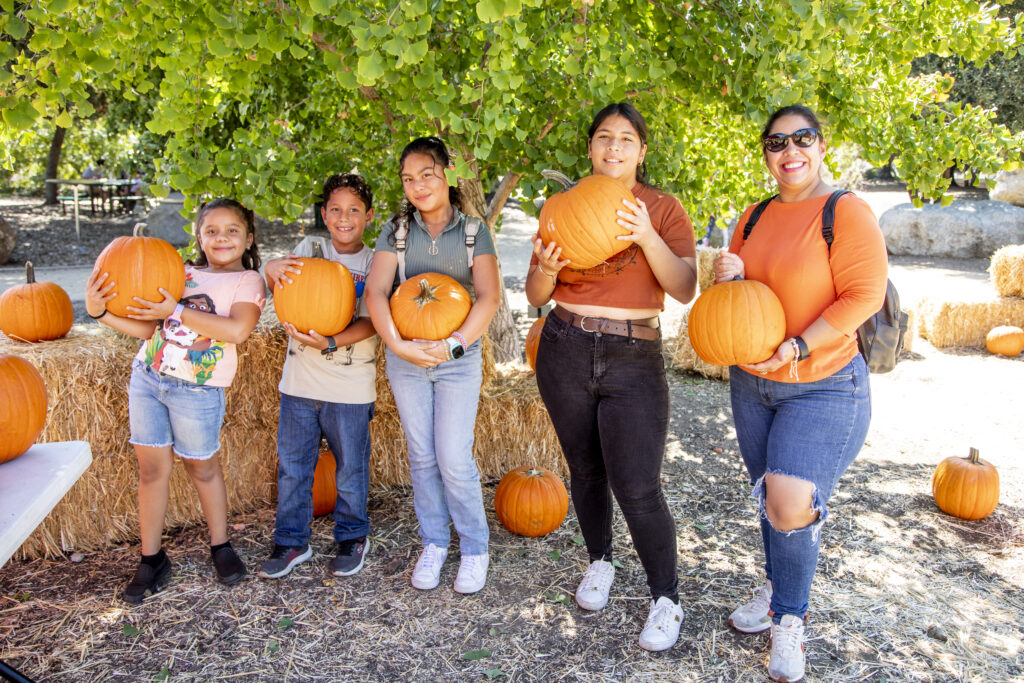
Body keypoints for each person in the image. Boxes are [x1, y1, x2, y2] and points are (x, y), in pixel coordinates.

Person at [713, 105, 888, 682]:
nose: (790, 150)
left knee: (789, 500)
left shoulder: (846, 211)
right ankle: (776, 588)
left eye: (802, 138)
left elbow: (863, 295)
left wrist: (796, 348)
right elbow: (746, 296)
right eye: (776, 142)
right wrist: (729, 276)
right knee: (772, 498)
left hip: (823, 384)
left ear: (820, 143)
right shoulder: (754, 215)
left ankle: (790, 620)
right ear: (765, 153)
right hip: (753, 382)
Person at [526, 102, 698, 651]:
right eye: (604, 136)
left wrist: (647, 236)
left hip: (633, 355)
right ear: (592, 147)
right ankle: (600, 561)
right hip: (564, 344)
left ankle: (665, 598)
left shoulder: (663, 209)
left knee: (639, 486)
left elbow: (685, 288)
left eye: (627, 138)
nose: (614, 146)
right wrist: (548, 271)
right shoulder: (560, 208)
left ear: (641, 151)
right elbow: (535, 294)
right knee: (584, 469)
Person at [85, 198, 266, 604]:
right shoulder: (180, 273)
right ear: (199, 236)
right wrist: (100, 314)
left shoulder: (248, 282)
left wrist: (177, 310)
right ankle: (151, 557)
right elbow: (149, 327)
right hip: (147, 379)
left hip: (198, 391)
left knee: (203, 469)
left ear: (248, 238)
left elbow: (236, 330)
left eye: (232, 230)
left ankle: (220, 545)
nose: (221, 238)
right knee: (151, 471)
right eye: (211, 231)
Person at [365, 136, 500, 594]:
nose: (418, 185)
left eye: (427, 174)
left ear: (447, 175)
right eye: (408, 179)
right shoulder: (396, 232)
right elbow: (376, 293)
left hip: (457, 359)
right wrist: (399, 346)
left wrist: (457, 344)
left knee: (453, 456)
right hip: (406, 358)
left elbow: (489, 297)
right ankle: (435, 542)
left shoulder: (473, 232)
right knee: (421, 455)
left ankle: (475, 547)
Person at [258, 173, 378, 579]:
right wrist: (269, 267)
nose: (344, 218)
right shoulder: (309, 249)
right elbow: (272, 285)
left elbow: (374, 322)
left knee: (350, 468)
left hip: (349, 386)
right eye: (336, 210)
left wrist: (330, 340)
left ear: (369, 216)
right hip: (299, 384)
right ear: (325, 215)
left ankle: (351, 536)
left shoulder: (375, 263)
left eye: (354, 210)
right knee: (294, 467)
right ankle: (291, 542)